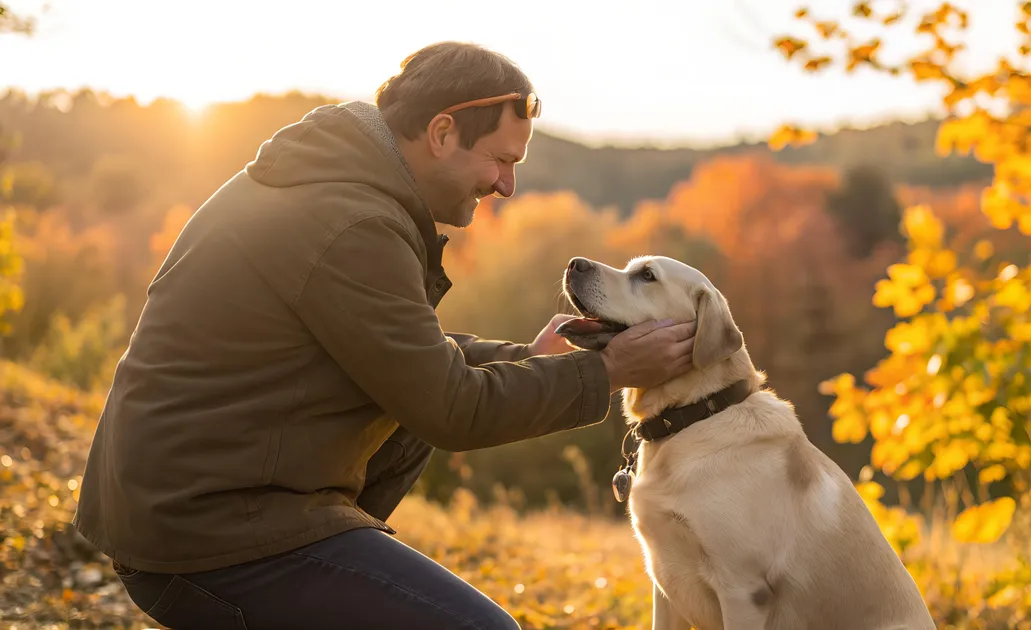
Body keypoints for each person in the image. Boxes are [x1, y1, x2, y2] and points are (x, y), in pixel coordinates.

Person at [72, 41, 696, 629]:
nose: (508, 185)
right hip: (203, 530)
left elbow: (403, 352)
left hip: (194, 502)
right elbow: (449, 409)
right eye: (502, 160)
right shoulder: (351, 223)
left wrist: (526, 360)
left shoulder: (338, 187)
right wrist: (607, 372)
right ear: (442, 132)